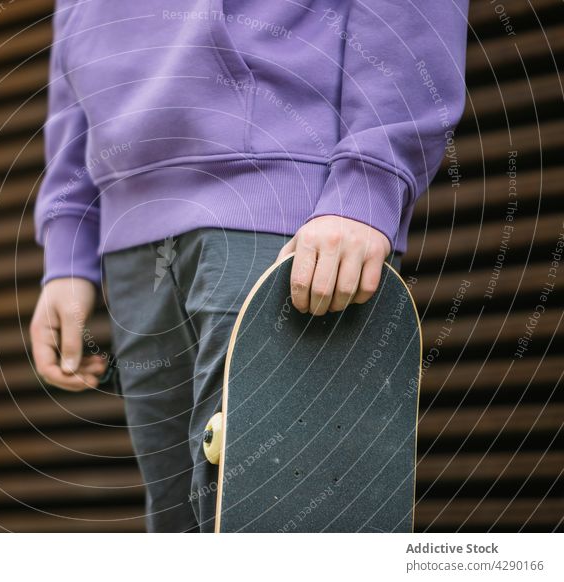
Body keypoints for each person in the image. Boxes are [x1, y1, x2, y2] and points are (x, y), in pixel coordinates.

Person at [30, 0, 468, 532]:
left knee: (285, 530)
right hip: (130, 237)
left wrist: (368, 181)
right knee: (183, 536)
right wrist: (67, 245)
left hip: (283, 220)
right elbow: (69, 82)